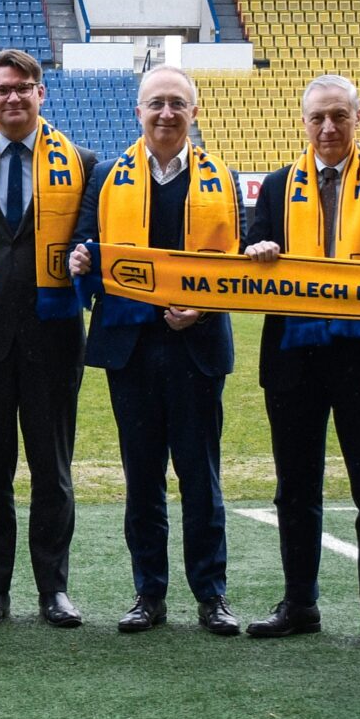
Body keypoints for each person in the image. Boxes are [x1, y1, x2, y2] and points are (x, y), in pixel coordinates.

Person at [69, 64, 242, 635]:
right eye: (156, 103)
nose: (166, 113)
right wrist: (79, 260)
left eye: (177, 103)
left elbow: (238, 265)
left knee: (201, 479)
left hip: (197, 347)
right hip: (132, 348)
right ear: (138, 111)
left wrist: (204, 308)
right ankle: (149, 594)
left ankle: (212, 595)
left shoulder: (223, 177)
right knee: (142, 480)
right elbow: (83, 243)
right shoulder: (105, 175)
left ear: (195, 112)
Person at [243, 74, 360, 650]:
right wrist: (257, 249)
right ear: (303, 122)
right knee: (295, 486)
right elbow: (250, 253)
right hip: (294, 354)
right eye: (317, 117)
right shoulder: (276, 185)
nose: (328, 127)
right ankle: (299, 603)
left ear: (359, 118)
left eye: (339, 115)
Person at [0, 49, 91, 629]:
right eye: (2, 89)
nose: (13, 97)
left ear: (41, 93)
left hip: (54, 337)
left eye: (24, 87)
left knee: (52, 471)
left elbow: (93, 237)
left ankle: (54, 589)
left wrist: (86, 256)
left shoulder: (82, 164)